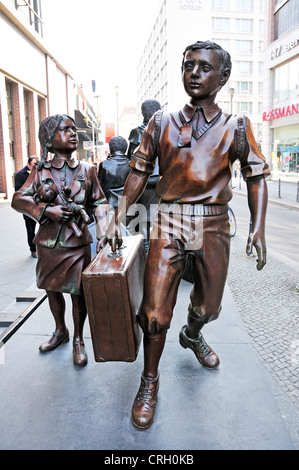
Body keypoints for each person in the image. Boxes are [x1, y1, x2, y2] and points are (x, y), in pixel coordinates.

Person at [106, 40, 270, 429]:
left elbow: (257, 177)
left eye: (204, 67)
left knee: (208, 307)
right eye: (188, 65)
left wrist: (259, 227)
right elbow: (139, 171)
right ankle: (149, 381)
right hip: (169, 221)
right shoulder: (161, 121)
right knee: (154, 311)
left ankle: (193, 334)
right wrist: (118, 215)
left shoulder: (237, 127)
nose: (193, 73)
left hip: (213, 224)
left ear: (224, 76)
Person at [12, 114, 109, 367]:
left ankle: (78, 338)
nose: (73, 133)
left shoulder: (88, 169)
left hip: (77, 244)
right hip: (48, 243)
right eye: (65, 130)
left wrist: (105, 231)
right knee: (51, 289)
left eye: (73, 129)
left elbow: (99, 201)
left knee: (78, 293)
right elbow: (18, 198)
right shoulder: (40, 170)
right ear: (49, 139)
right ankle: (60, 331)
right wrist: (45, 211)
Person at [128, 100, 161, 250]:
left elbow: (132, 157)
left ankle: (147, 244)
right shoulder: (166, 130)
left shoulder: (137, 131)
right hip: (161, 176)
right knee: (158, 212)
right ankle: (157, 243)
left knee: (143, 212)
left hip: (145, 177)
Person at [14, 156, 39, 258]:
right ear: (28, 164)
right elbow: (19, 191)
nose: (36, 168)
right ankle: (33, 249)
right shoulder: (20, 175)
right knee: (30, 229)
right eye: (34, 165)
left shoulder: (39, 173)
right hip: (28, 207)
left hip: (40, 205)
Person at [98, 136, 131, 212]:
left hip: (109, 207)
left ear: (110, 148)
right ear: (125, 149)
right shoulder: (131, 165)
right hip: (128, 207)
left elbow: (99, 188)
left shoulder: (104, 165)